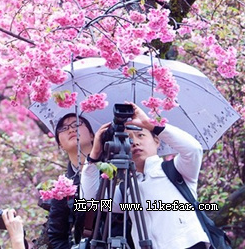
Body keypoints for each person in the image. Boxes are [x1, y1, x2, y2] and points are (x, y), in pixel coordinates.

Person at [80, 102, 210, 249]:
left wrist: (153, 125)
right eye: (127, 139)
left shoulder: (176, 170)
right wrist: (94, 156)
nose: (135, 142)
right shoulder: (126, 190)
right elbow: (90, 201)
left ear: (156, 141)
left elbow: (193, 149)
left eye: (141, 135)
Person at [46, 113, 95, 249]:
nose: (71, 130)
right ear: (60, 145)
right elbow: (57, 235)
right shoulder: (64, 187)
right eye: (63, 128)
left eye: (77, 124)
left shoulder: (116, 169)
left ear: (92, 135)